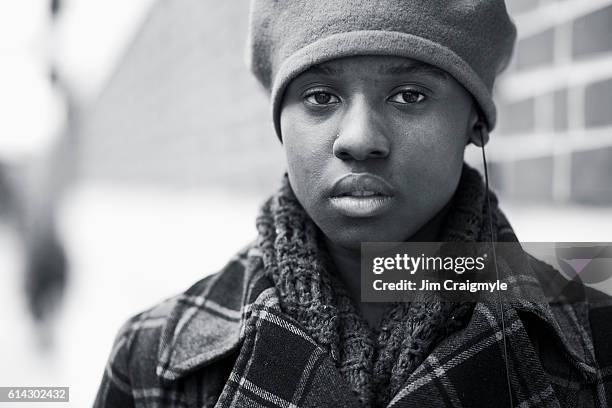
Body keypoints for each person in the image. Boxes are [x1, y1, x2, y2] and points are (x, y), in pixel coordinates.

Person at [94, 1, 612, 407]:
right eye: (320, 96)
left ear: (474, 122)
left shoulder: (595, 339)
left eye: (409, 95)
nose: (360, 139)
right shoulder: (152, 358)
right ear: (281, 126)